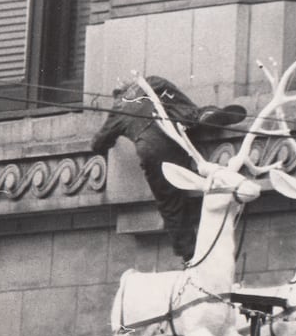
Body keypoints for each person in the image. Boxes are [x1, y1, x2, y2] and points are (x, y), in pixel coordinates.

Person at [91, 76, 246, 262]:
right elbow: (178, 98)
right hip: (176, 128)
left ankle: (190, 255)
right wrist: (192, 113)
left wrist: (111, 137)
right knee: (190, 113)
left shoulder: (118, 107)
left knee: (170, 204)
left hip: (152, 147)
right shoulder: (151, 82)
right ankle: (204, 116)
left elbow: (98, 143)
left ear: (118, 94)